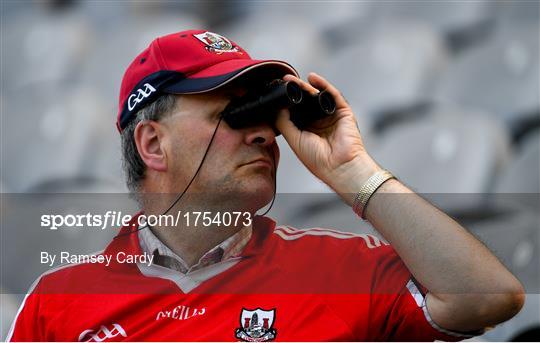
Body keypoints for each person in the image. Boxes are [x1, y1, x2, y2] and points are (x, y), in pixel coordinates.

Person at [7, 30, 524, 342]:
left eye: (266, 112)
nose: (264, 130)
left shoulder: (336, 271)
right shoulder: (59, 303)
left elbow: (489, 298)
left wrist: (354, 172)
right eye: (233, 112)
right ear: (153, 145)